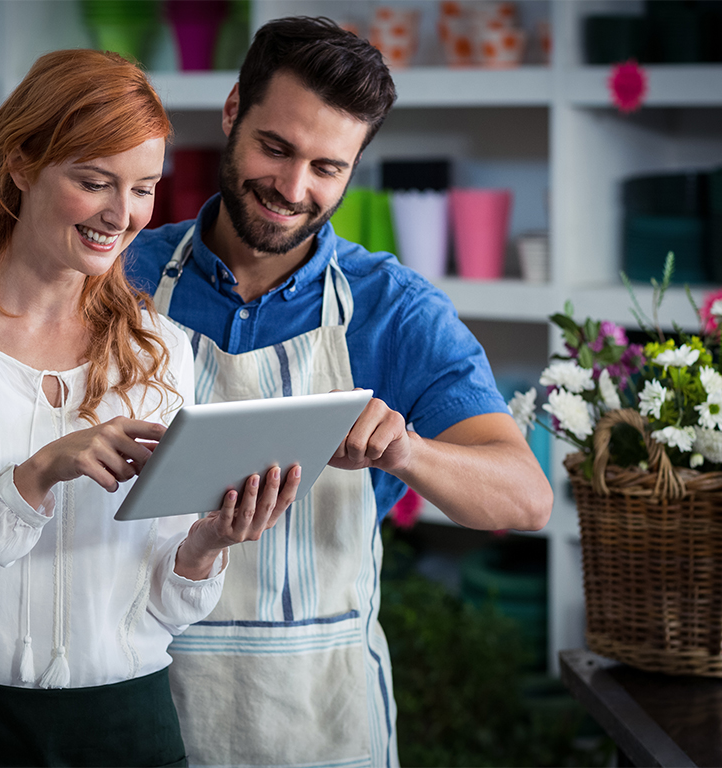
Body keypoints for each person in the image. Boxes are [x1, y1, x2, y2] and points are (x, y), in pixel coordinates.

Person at [128, 15, 554, 767]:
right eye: (276, 148)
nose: (293, 189)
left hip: (320, 719)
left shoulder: (393, 308)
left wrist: (411, 451)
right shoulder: (126, 279)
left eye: (327, 167)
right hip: (141, 698)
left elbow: (525, 498)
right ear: (233, 113)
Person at [0, 48, 300, 767]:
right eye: (94, 182)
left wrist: (205, 547)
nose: (123, 215)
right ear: (22, 164)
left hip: (130, 727)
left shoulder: (159, 351)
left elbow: (160, 611)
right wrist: (37, 475)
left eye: (145, 187)